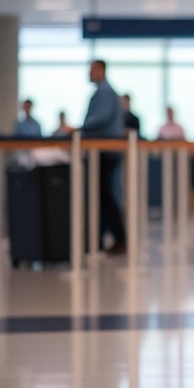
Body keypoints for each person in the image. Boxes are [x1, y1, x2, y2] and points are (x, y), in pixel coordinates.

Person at [80, 59, 127, 255]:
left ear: (100, 70)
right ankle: (99, 239)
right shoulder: (105, 91)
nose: (89, 74)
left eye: (91, 70)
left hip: (104, 151)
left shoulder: (105, 92)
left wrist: (79, 127)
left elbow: (101, 118)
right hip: (103, 151)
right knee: (101, 196)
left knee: (104, 196)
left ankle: (118, 238)